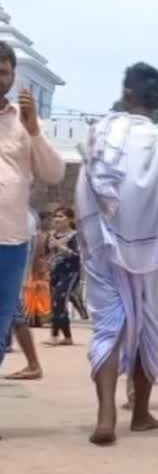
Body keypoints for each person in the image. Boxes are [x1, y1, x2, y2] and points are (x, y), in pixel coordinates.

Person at [77, 62, 158, 445]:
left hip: (103, 247)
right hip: (150, 251)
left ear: (127, 94)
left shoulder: (102, 131)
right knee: (150, 327)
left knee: (110, 324)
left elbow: (91, 187)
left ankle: (106, 413)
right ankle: (140, 412)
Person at [0, 40, 65, 385]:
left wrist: (35, 130)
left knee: (1, 327)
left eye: (4, 72)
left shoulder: (23, 123)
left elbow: (53, 173)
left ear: (11, 76)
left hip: (9, 243)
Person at [4, 209, 45, 380]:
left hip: (9, 275)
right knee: (15, 317)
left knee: (16, 317)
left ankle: (34, 365)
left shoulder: (22, 215)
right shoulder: (27, 214)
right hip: (12, 274)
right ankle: (33, 364)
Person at [46, 207, 81, 346]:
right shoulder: (52, 235)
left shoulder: (75, 235)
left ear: (70, 219)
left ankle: (54, 335)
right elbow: (47, 253)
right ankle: (67, 337)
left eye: (61, 216)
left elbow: (77, 256)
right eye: (56, 216)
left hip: (70, 272)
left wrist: (61, 247)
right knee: (56, 304)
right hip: (55, 272)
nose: (57, 219)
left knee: (58, 300)